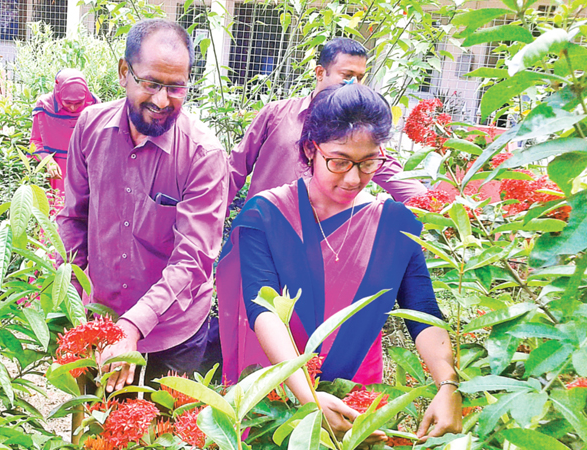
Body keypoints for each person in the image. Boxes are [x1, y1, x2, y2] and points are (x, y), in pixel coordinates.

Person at [217, 84, 462, 442]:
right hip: (279, 396)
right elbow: (263, 310)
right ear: (309, 150)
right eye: (339, 161)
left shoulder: (395, 225)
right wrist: (309, 397)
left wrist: (448, 383)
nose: (353, 178)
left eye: (367, 163)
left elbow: (422, 310)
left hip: (354, 398)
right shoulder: (266, 216)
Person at [57, 19, 229, 393]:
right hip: (100, 320)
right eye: (151, 83)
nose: (163, 100)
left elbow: (193, 259)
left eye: (176, 87)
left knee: (162, 434)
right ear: (124, 73)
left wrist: (132, 326)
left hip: (172, 336)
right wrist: (68, 297)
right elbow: (74, 219)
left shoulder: (204, 154)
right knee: (94, 429)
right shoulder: (90, 127)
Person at [227, 37, 426, 204]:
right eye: (347, 75)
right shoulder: (276, 114)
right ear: (321, 73)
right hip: (259, 230)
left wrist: (434, 208)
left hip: (319, 242)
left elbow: (400, 180)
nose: (354, 84)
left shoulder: (359, 130)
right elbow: (234, 170)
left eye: (359, 77)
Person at [30, 69, 98, 196]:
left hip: (85, 172)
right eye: (68, 102)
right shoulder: (45, 106)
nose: (73, 108)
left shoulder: (94, 105)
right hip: (55, 174)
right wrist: (48, 161)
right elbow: (35, 142)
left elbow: (101, 143)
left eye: (78, 103)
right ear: (58, 92)